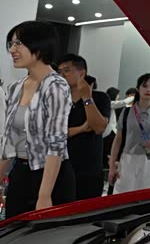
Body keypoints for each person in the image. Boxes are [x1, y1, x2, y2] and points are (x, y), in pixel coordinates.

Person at [0, 22, 75, 218]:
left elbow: (56, 143)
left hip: (51, 177)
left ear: (40, 46)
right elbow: (9, 140)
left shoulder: (56, 86)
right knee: (13, 231)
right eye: (11, 44)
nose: (12, 50)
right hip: (20, 174)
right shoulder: (15, 87)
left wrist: (44, 195)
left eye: (18, 43)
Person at [57, 55, 111, 201]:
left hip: (89, 172)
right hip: (60, 168)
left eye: (67, 70)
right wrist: (81, 128)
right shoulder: (59, 100)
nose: (62, 75)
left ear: (81, 73)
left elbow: (98, 127)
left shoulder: (100, 98)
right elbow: (55, 133)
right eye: (59, 71)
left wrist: (87, 98)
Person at [108, 74, 150, 194]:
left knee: (145, 196)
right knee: (123, 196)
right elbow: (118, 140)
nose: (148, 90)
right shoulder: (126, 112)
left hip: (148, 160)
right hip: (127, 160)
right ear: (138, 89)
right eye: (145, 86)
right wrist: (112, 166)